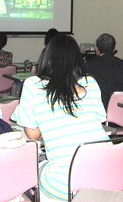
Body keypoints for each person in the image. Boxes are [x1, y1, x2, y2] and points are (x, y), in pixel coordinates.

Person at [11, 34, 109, 201]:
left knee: (26, 169)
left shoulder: (32, 85)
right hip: (108, 175)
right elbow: (97, 121)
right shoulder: (90, 83)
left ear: (46, 58)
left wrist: (49, 119)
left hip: (67, 187)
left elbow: (32, 135)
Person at [83, 33, 123, 109]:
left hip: (99, 108)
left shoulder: (89, 64)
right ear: (114, 49)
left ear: (97, 49)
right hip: (121, 108)